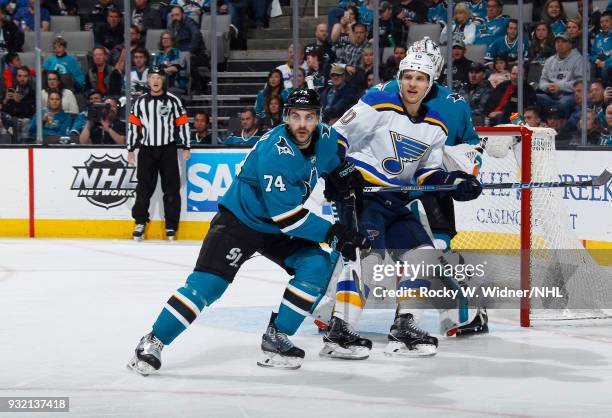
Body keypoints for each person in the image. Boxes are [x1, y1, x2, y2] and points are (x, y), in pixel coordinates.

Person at [127, 88, 370, 373]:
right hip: (240, 221)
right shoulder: (275, 150)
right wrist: (334, 233)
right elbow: (288, 218)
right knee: (207, 287)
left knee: (315, 264)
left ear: (318, 119)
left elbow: (333, 161)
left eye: (309, 117)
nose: (302, 124)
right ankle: (153, 340)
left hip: (276, 227)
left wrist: (344, 173)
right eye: (296, 117)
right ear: (285, 117)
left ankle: (277, 338)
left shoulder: (326, 137)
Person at [321, 51, 483, 359]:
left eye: (420, 79)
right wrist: (340, 173)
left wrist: (456, 182)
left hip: (397, 202)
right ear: (400, 79)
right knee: (365, 260)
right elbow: (337, 137)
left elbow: (427, 173)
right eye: (408, 76)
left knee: (423, 254)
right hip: (362, 196)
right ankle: (339, 332)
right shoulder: (377, 103)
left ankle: (405, 327)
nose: (412, 83)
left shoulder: (436, 126)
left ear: (429, 85)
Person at [126, 66, 191, 241]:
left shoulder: (173, 101)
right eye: (152, 77)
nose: (155, 81)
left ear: (163, 80)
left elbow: (182, 123)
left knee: (171, 189)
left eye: (158, 77)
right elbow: (133, 126)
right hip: (146, 150)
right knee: (143, 188)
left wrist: (186, 145)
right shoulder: (140, 102)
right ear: (148, 80)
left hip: (167, 149)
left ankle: (171, 226)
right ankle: (140, 221)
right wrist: (130, 148)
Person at [537, 32, 582, 118]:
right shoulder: (550, 60)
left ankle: (563, 129)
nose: (560, 44)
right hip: (550, 95)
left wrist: (560, 86)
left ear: (570, 44)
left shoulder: (579, 60)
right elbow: (542, 81)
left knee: (562, 104)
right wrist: (547, 86)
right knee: (535, 98)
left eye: (563, 41)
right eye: (557, 42)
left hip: (569, 94)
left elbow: (580, 84)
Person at [166, 5, 208, 94]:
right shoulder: (172, 26)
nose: (174, 18)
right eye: (172, 15)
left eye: (177, 15)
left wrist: (190, 51)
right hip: (180, 55)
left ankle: (199, 86)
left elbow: (196, 35)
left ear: (183, 15)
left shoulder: (190, 23)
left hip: (197, 54)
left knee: (188, 60)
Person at [3, 65, 34, 142]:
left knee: (26, 122)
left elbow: (31, 111)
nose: (22, 79)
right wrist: (5, 100)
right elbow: (4, 110)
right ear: (16, 77)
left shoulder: (33, 92)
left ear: (29, 77)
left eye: (25, 76)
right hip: (11, 120)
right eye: (19, 76)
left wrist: (19, 102)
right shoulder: (10, 90)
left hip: (26, 120)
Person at [591, 11, 611, 84]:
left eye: (607, 21)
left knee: (605, 68)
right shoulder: (598, 37)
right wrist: (596, 60)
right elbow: (592, 54)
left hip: (608, 67)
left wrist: (606, 63)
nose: (604, 24)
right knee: (589, 65)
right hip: (599, 65)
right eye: (601, 22)